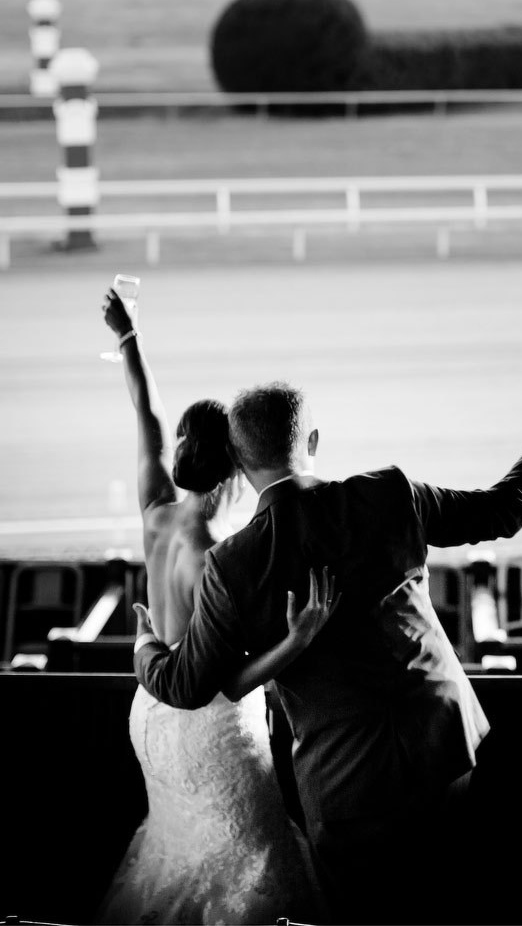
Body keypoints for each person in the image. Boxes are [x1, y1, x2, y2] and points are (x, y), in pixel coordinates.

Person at [134, 375, 522, 924]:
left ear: (240, 464)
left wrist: (146, 642)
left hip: (346, 784)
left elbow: (184, 684)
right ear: (312, 440)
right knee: (458, 904)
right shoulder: (388, 493)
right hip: (444, 744)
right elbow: (501, 510)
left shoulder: (234, 565)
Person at [95, 288, 331, 924]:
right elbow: (225, 681)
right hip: (207, 730)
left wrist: (129, 337)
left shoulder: (156, 512)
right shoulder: (220, 558)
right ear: (237, 467)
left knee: (177, 849)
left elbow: (147, 415)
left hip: (150, 717)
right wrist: (296, 640)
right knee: (249, 858)